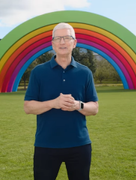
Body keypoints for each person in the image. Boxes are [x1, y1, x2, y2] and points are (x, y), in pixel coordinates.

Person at [24, 22, 99, 180]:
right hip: (46, 145)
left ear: (74, 43)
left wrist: (78, 105)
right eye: (58, 38)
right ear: (52, 44)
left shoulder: (85, 73)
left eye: (67, 38)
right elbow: (28, 107)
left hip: (80, 145)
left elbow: (94, 108)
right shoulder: (38, 72)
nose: (62, 42)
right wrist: (54, 103)